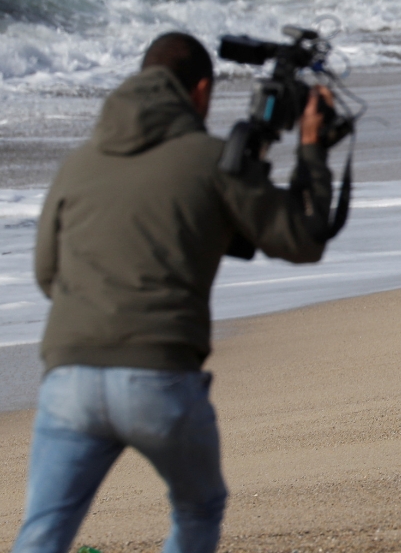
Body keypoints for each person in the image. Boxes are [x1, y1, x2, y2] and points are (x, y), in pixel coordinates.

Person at [13, 32, 335, 552]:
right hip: (158, 379)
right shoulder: (210, 161)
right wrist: (313, 149)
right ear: (202, 91)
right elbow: (302, 238)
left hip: (69, 377)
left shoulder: (78, 165)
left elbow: (47, 275)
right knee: (197, 509)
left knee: (43, 532)